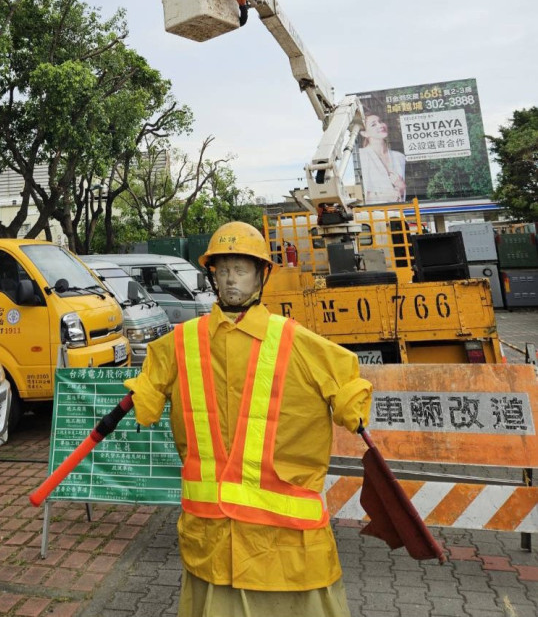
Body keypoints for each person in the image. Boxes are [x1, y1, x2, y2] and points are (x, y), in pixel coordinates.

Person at [124, 221, 372, 617]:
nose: (230, 279)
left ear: (261, 276)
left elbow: (347, 379)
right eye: (223, 270)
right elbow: (149, 391)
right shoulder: (182, 343)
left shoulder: (294, 340)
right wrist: (145, 395)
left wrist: (351, 402)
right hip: (213, 540)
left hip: (285, 544)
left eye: (240, 269)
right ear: (212, 276)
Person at [357, 113, 407, 203]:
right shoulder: (360, 156)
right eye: (373, 124)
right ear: (364, 133)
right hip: (374, 211)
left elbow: (403, 195)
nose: (380, 125)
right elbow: (361, 195)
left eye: (380, 121)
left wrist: (401, 186)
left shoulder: (399, 157)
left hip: (399, 210)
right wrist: (389, 195)